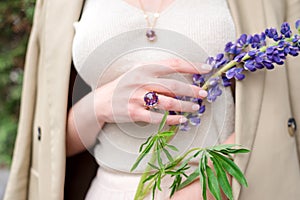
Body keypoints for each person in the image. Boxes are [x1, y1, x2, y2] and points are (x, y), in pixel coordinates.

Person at [4, 0, 300, 200]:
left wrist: (198, 190)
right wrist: (100, 105)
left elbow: (281, 112)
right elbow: (50, 145)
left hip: (220, 190)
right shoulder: (58, 6)